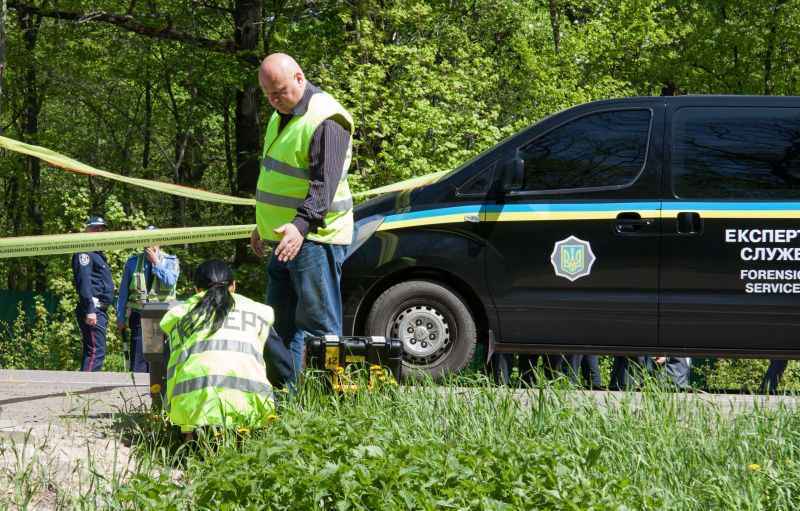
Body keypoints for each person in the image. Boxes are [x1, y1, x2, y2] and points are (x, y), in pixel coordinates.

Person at [250, 53, 354, 384]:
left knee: (321, 326)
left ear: (299, 77)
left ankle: (333, 397)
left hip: (315, 240)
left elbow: (323, 188)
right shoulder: (280, 113)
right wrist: (261, 224)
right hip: (283, 239)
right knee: (279, 327)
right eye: (268, 94)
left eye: (279, 91)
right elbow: (278, 178)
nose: (274, 99)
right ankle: (285, 398)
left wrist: (299, 226)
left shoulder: (327, 118)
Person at [160, 260, 290, 438]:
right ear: (234, 286)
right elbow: (283, 368)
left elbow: (168, 369)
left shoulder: (180, 317)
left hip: (194, 418)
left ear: (197, 289)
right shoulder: (256, 313)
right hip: (249, 416)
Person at [116, 226, 180, 372]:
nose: (149, 244)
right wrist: (120, 317)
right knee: (139, 360)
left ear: (159, 242)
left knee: (159, 360)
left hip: (163, 315)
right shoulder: (132, 262)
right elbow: (123, 293)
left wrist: (156, 263)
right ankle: (136, 390)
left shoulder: (171, 261)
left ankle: (158, 392)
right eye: (146, 240)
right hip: (139, 314)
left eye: (153, 240)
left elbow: (170, 281)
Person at [71, 216, 115, 371]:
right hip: (93, 308)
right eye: (95, 228)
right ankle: (86, 388)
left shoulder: (97, 253)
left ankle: (84, 386)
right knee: (96, 351)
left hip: (98, 309)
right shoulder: (85, 251)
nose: (99, 230)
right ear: (87, 229)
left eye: (102, 228)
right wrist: (90, 309)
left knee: (94, 350)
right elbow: (84, 282)